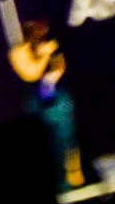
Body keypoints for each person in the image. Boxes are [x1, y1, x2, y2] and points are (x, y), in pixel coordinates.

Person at [6, 18, 81, 189]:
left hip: (55, 102)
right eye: (35, 31)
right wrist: (44, 56)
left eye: (41, 31)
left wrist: (48, 59)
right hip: (42, 103)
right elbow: (31, 73)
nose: (40, 35)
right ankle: (61, 180)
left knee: (66, 139)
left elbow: (58, 66)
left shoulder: (49, 47)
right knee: (52, 142)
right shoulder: (21, 53)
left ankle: (73, 176)